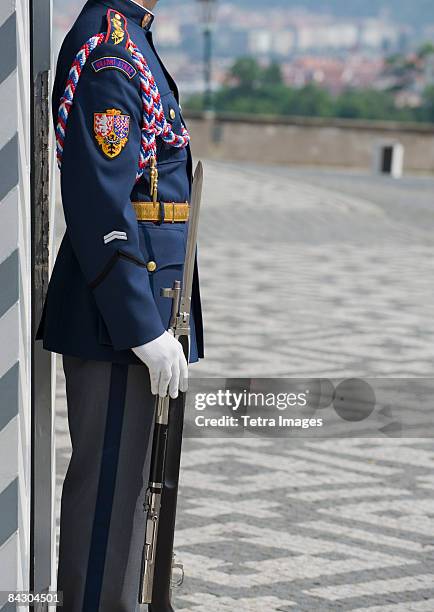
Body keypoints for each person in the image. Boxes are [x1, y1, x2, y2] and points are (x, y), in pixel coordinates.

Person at [36, 0, 204, 609]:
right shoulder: (112, 50)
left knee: (137, 494)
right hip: (119, 316)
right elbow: (103, 204)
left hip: (145, 303)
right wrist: (141, 326)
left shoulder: (134, 35)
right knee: (109, 501)